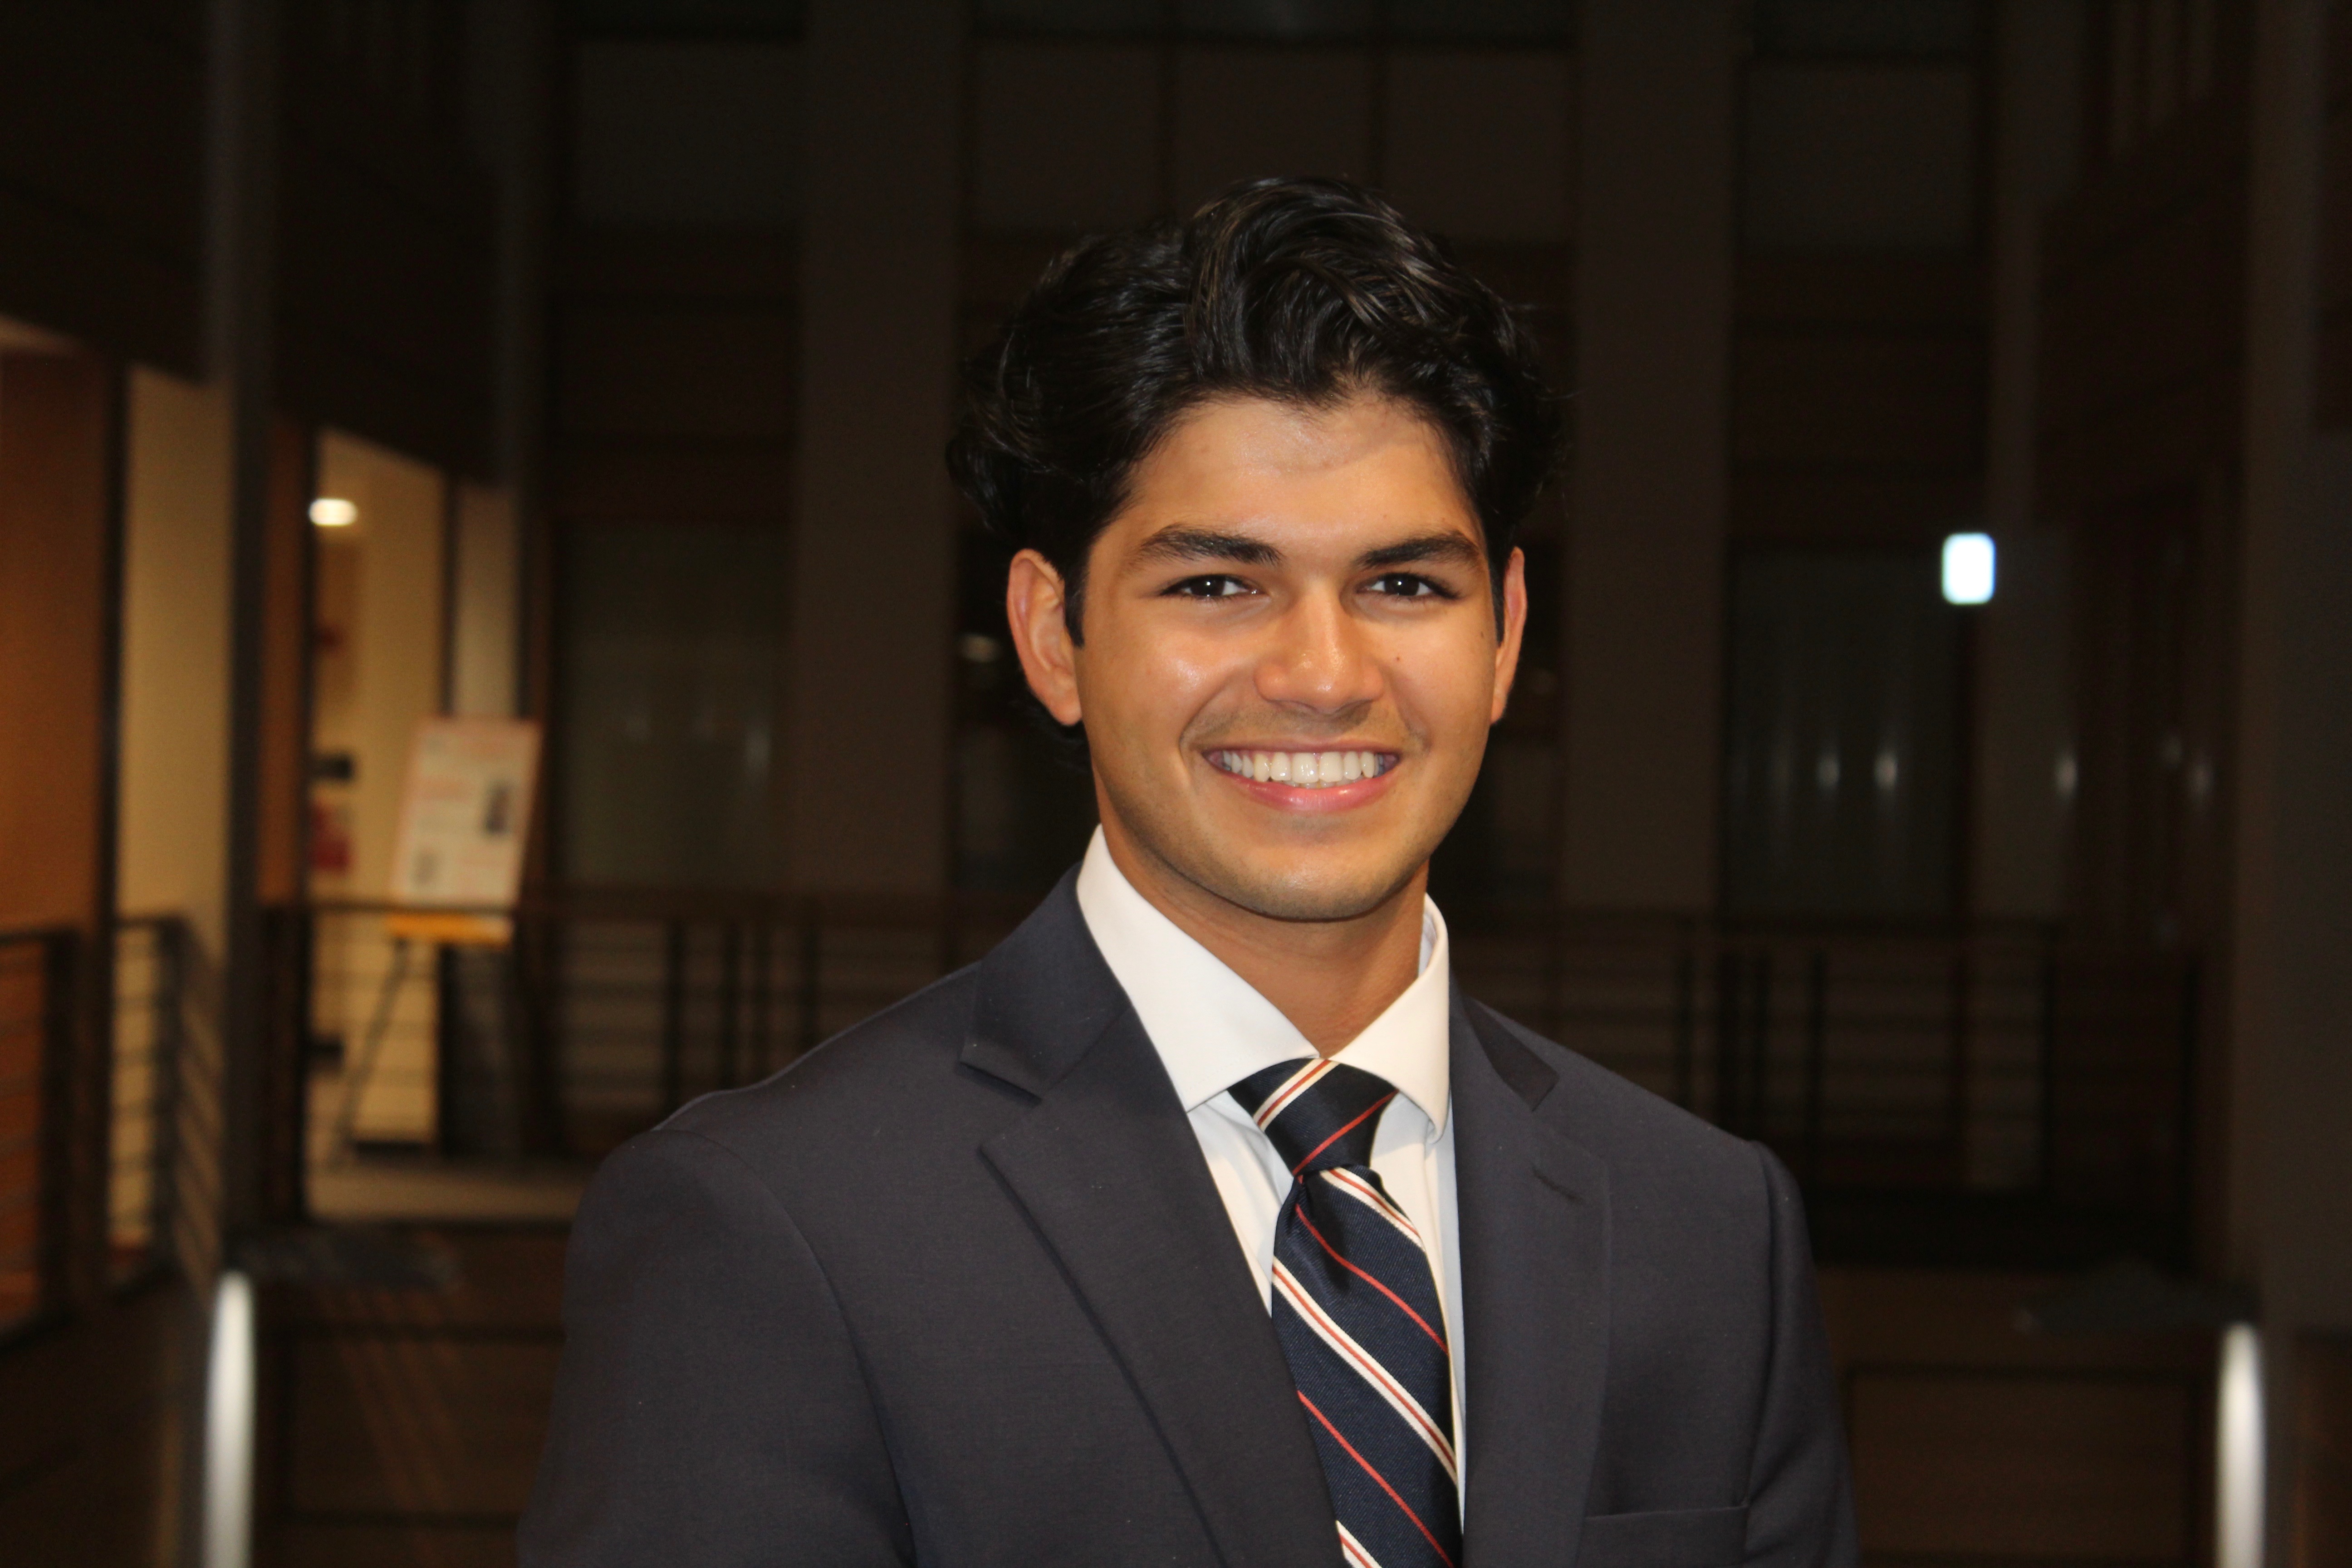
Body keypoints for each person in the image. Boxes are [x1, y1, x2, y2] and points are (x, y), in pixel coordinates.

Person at [521, 177, 1857, 1568]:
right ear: (1052, 636)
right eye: (1218, 585)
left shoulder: (1708, 1232)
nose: (1326, 677)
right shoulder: (774, 1228)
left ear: (1509, 634)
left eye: (1405, 585)